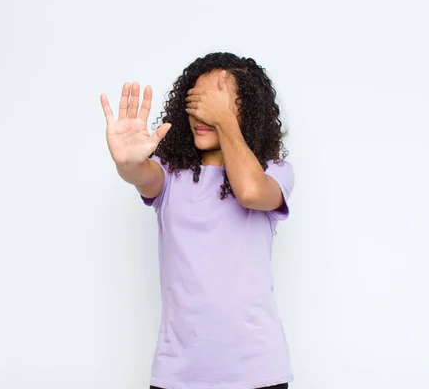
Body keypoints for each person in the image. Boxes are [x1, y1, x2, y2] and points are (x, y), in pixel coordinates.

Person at [100, 52, 295, 389]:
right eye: (195, 102)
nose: (202, 113)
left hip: (257, 373)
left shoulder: (274, 172)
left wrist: (225, 122)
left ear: (246, 110)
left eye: (217, 103)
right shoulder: (170, 176)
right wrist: (126, 162)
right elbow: (139, 173)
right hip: (178, 375)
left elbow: (249, 191)